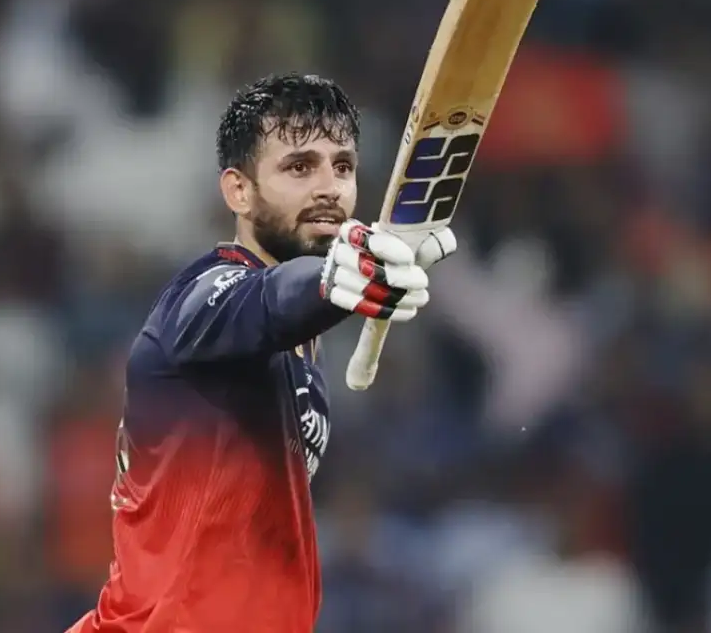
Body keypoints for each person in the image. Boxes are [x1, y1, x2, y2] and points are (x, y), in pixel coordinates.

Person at [65, 73, 456, 633]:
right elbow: (269, 300)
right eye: (299, 167)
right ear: (239, 191)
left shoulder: (303, 354)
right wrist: (331, 279)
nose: (329, 188)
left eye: (342, 167)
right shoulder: (201, 297)